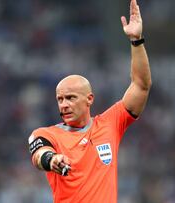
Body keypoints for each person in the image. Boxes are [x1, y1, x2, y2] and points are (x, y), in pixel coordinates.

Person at [28, 0, 151, 202]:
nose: (64, 104)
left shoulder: (110, 123)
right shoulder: (47, 133)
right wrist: (53, 159)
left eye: (70, 97)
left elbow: (141, 85)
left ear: (89, 99)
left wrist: (136, 40)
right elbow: (39, 155)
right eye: (60, 99)